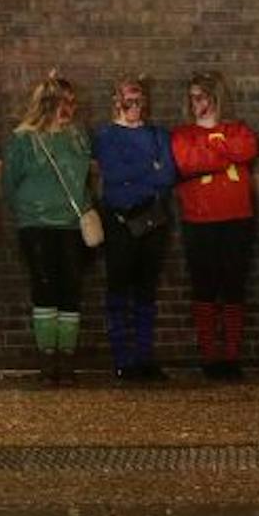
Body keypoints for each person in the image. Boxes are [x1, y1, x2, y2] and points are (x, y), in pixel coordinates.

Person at [2, 74, 96, 384]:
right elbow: (9, 184)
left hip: (71, 224)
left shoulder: (77, 136)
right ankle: (47, 358)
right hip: (37, 224)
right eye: (62, 103)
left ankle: (66, 359)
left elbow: (84, 177)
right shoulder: (23, 140)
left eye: (71, 102)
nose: (68, 109)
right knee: (44, 287)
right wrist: (27, 210)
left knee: (71, 289)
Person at [172, 71, 259, 380]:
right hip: (199, 220)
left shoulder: (238, 129)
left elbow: (248, 148)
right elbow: (188, 162)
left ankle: (232, 356)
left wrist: (213, 153)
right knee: (205, 288)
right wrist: (225, 153)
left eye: (203, 97)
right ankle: (210, 356)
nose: (197, 104)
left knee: (234, 287)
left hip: (237, 217)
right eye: (193, 98)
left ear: (216, 98)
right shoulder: (183, 134)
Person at [92, 76, 179, 382]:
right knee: (119, 288)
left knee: (146, 290)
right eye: (128, 101)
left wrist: (138, 174)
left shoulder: (158, 134)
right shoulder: (106, 135)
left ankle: (143, 357)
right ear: (117, 102)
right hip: (120, 220)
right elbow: (114, 174)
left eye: (139, 101)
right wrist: (149, 167)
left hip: (152, 219)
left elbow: (167, 175)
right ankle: (122, 358)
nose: (134, 107)